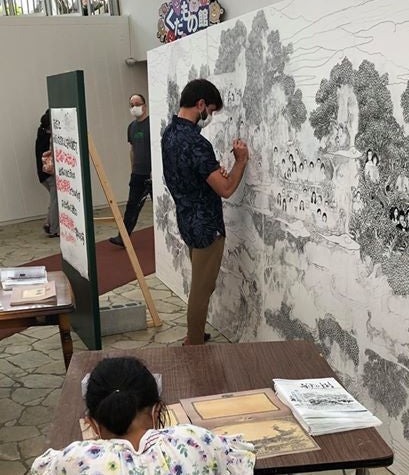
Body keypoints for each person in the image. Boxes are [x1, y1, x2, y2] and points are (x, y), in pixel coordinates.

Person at [31, 357, 255, 473]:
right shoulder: (194, 439)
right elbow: (236, 456)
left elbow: (42, 468)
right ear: (157, 411)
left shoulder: (74, 459)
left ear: (92, 424)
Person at [162, 79, 249, 346]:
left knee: (201, 284)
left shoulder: (169, 134)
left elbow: (190, 175)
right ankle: (194, 343)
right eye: (210, 110)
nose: (209, 116)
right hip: (206, 227)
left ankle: (195, 336)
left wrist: (211, 173)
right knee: (202, 289)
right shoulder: (196, 143)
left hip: (187, 220)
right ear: (200, 104)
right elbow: (226, 189)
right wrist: (240, 161)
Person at [110, 94, 153, 247]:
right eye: (132, 105)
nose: (135, 107)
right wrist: (133, 168)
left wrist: (155, 170)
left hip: (152, 174)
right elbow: (132, 149)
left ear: (144, 106)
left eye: (137, 104)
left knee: (160, 206)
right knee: (132, 206)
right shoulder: (131, 127)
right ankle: (123, 237)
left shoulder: (152, 124)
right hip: (137, 174)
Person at [35, 109, 59, 238]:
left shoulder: (40, 134)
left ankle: (48, 223)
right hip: (50, 174)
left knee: (54, 199)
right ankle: (53, 228)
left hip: (42, 174)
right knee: (56, 201)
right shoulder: (49, 139)